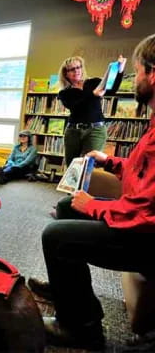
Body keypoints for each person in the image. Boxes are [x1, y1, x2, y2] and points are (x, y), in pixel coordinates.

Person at [27, 34, 155, 350]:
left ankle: (81, 327)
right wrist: (111, 161)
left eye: (138, 71)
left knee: (55, 234)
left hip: (148, 237)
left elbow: (146, 209)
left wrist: (95, 206)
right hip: (141, 221)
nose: (135, 78)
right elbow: (143, 171)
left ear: (152, 73)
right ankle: (66, 291)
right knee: (69, 204)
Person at [58, 54, 126, 166]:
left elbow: (112, 89)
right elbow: (75, 106)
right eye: (72, 69)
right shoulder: (64, 93)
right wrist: (93, 94)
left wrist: (120, 69)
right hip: (73, 131)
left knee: (89, 165)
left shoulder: (93, 82)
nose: (77, 71)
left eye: (79, 67)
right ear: (66, 74)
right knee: (72, 166)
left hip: (96, 130)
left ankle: (90, 184)